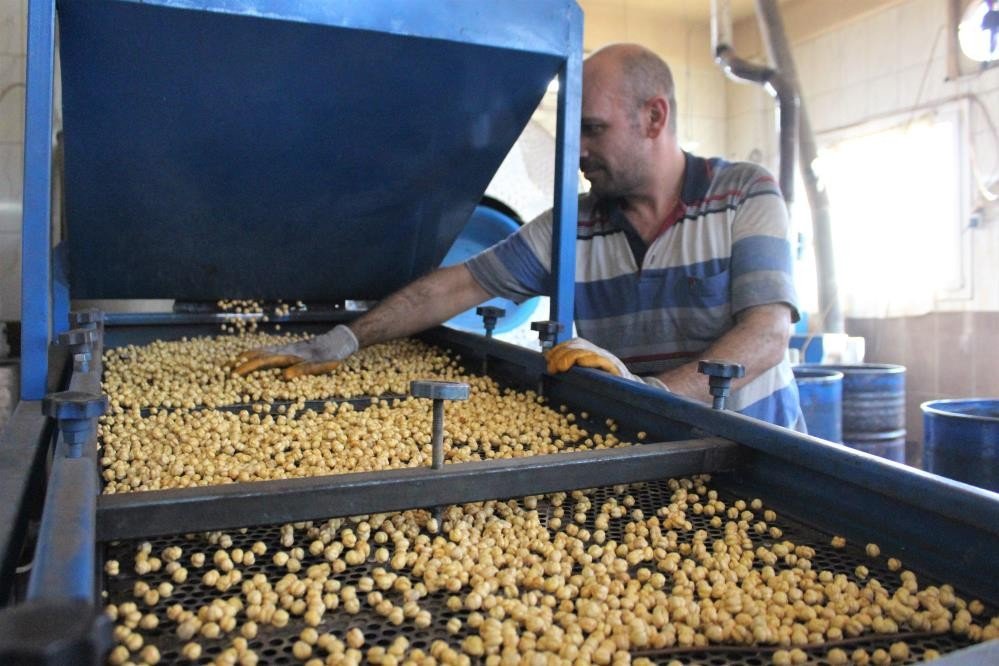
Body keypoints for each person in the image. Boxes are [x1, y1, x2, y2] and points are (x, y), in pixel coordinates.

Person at [241, 43, 804, 430]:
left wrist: (656, 395)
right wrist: (344, 339)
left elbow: (767, 333)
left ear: (654, 119)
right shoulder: (576, 224)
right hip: (658, 450)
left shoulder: (743, 195)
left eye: (594, 130)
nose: (578, 151)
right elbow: (454, 288)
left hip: (765, 462)